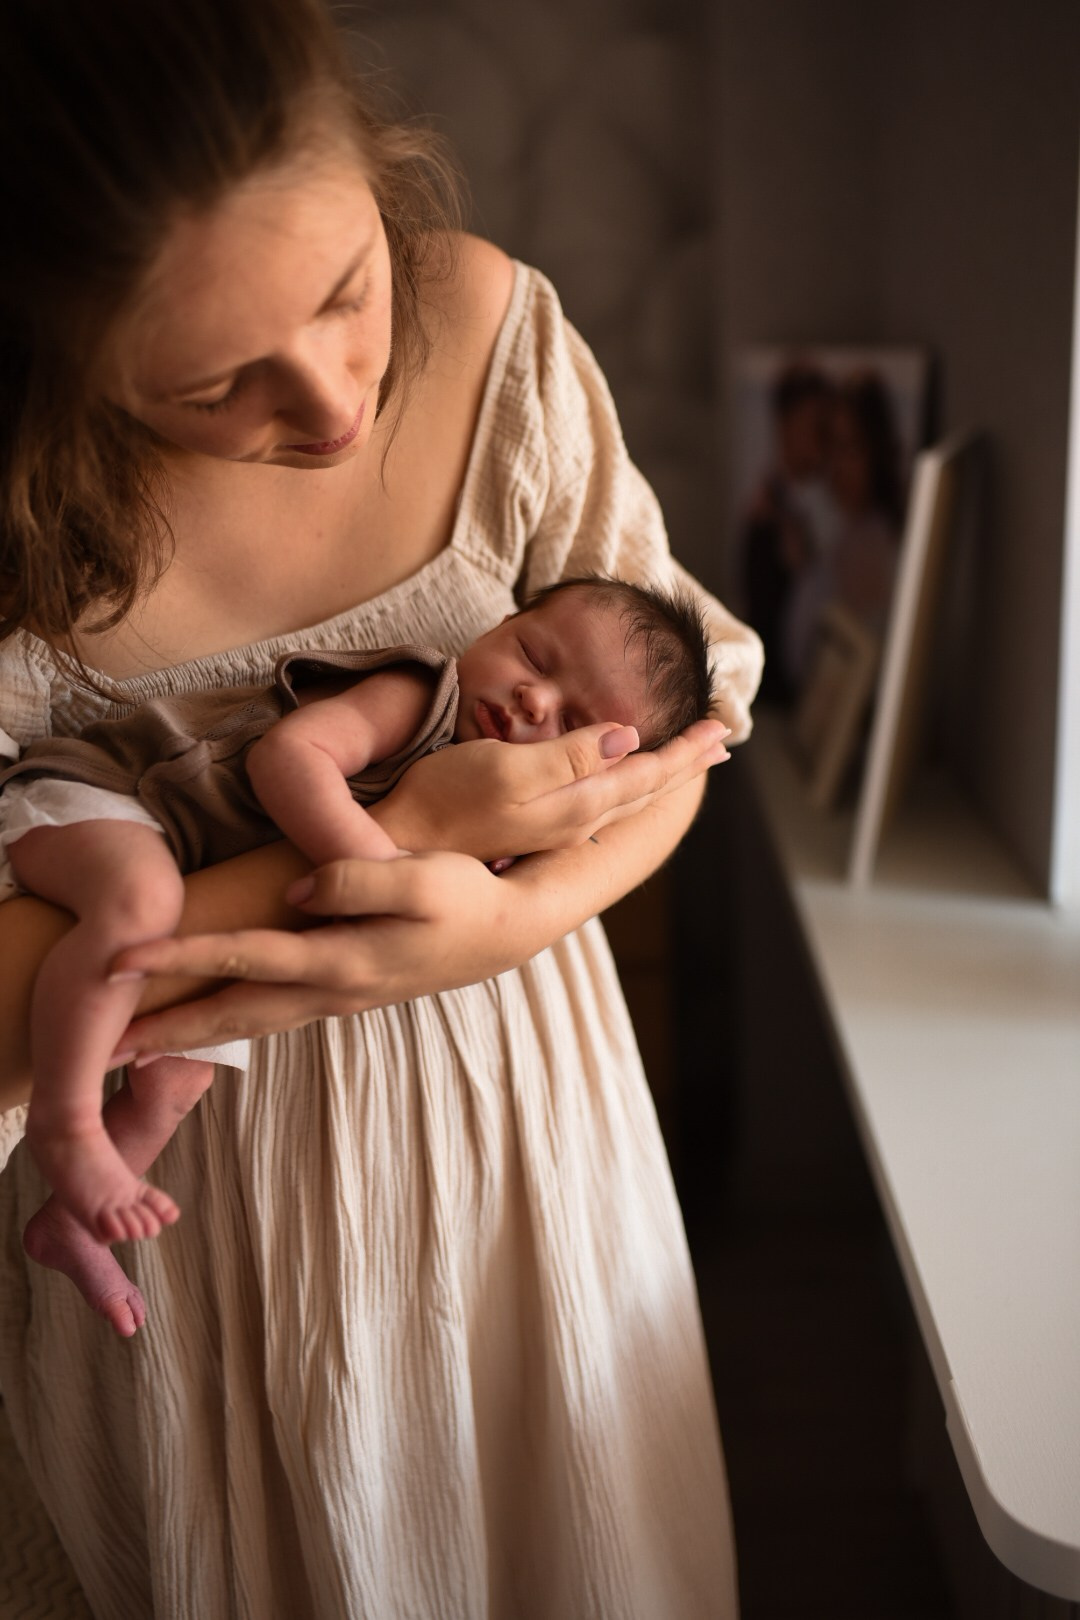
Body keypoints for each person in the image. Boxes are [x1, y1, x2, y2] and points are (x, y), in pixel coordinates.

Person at [0, 0, 762, 1614]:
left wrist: (511, 917)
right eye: (214, 384)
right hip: (193, 1235)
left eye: (350, 292)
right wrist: (401, 853)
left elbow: (688, 739)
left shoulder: (494, 335)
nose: (337, 402)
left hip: (521, 1146)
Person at [2, 576, 720, 1340]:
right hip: (114, 796)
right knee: (139, 906)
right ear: (501, 623)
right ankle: (65, 1121)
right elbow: (290, 758)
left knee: (175, 1078)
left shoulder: (513, 801)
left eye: (573, 721)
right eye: (532, 655)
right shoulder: (421, 694)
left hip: (184, 862)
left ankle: (72, 1227)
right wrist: (382, 869)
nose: (535, 700)